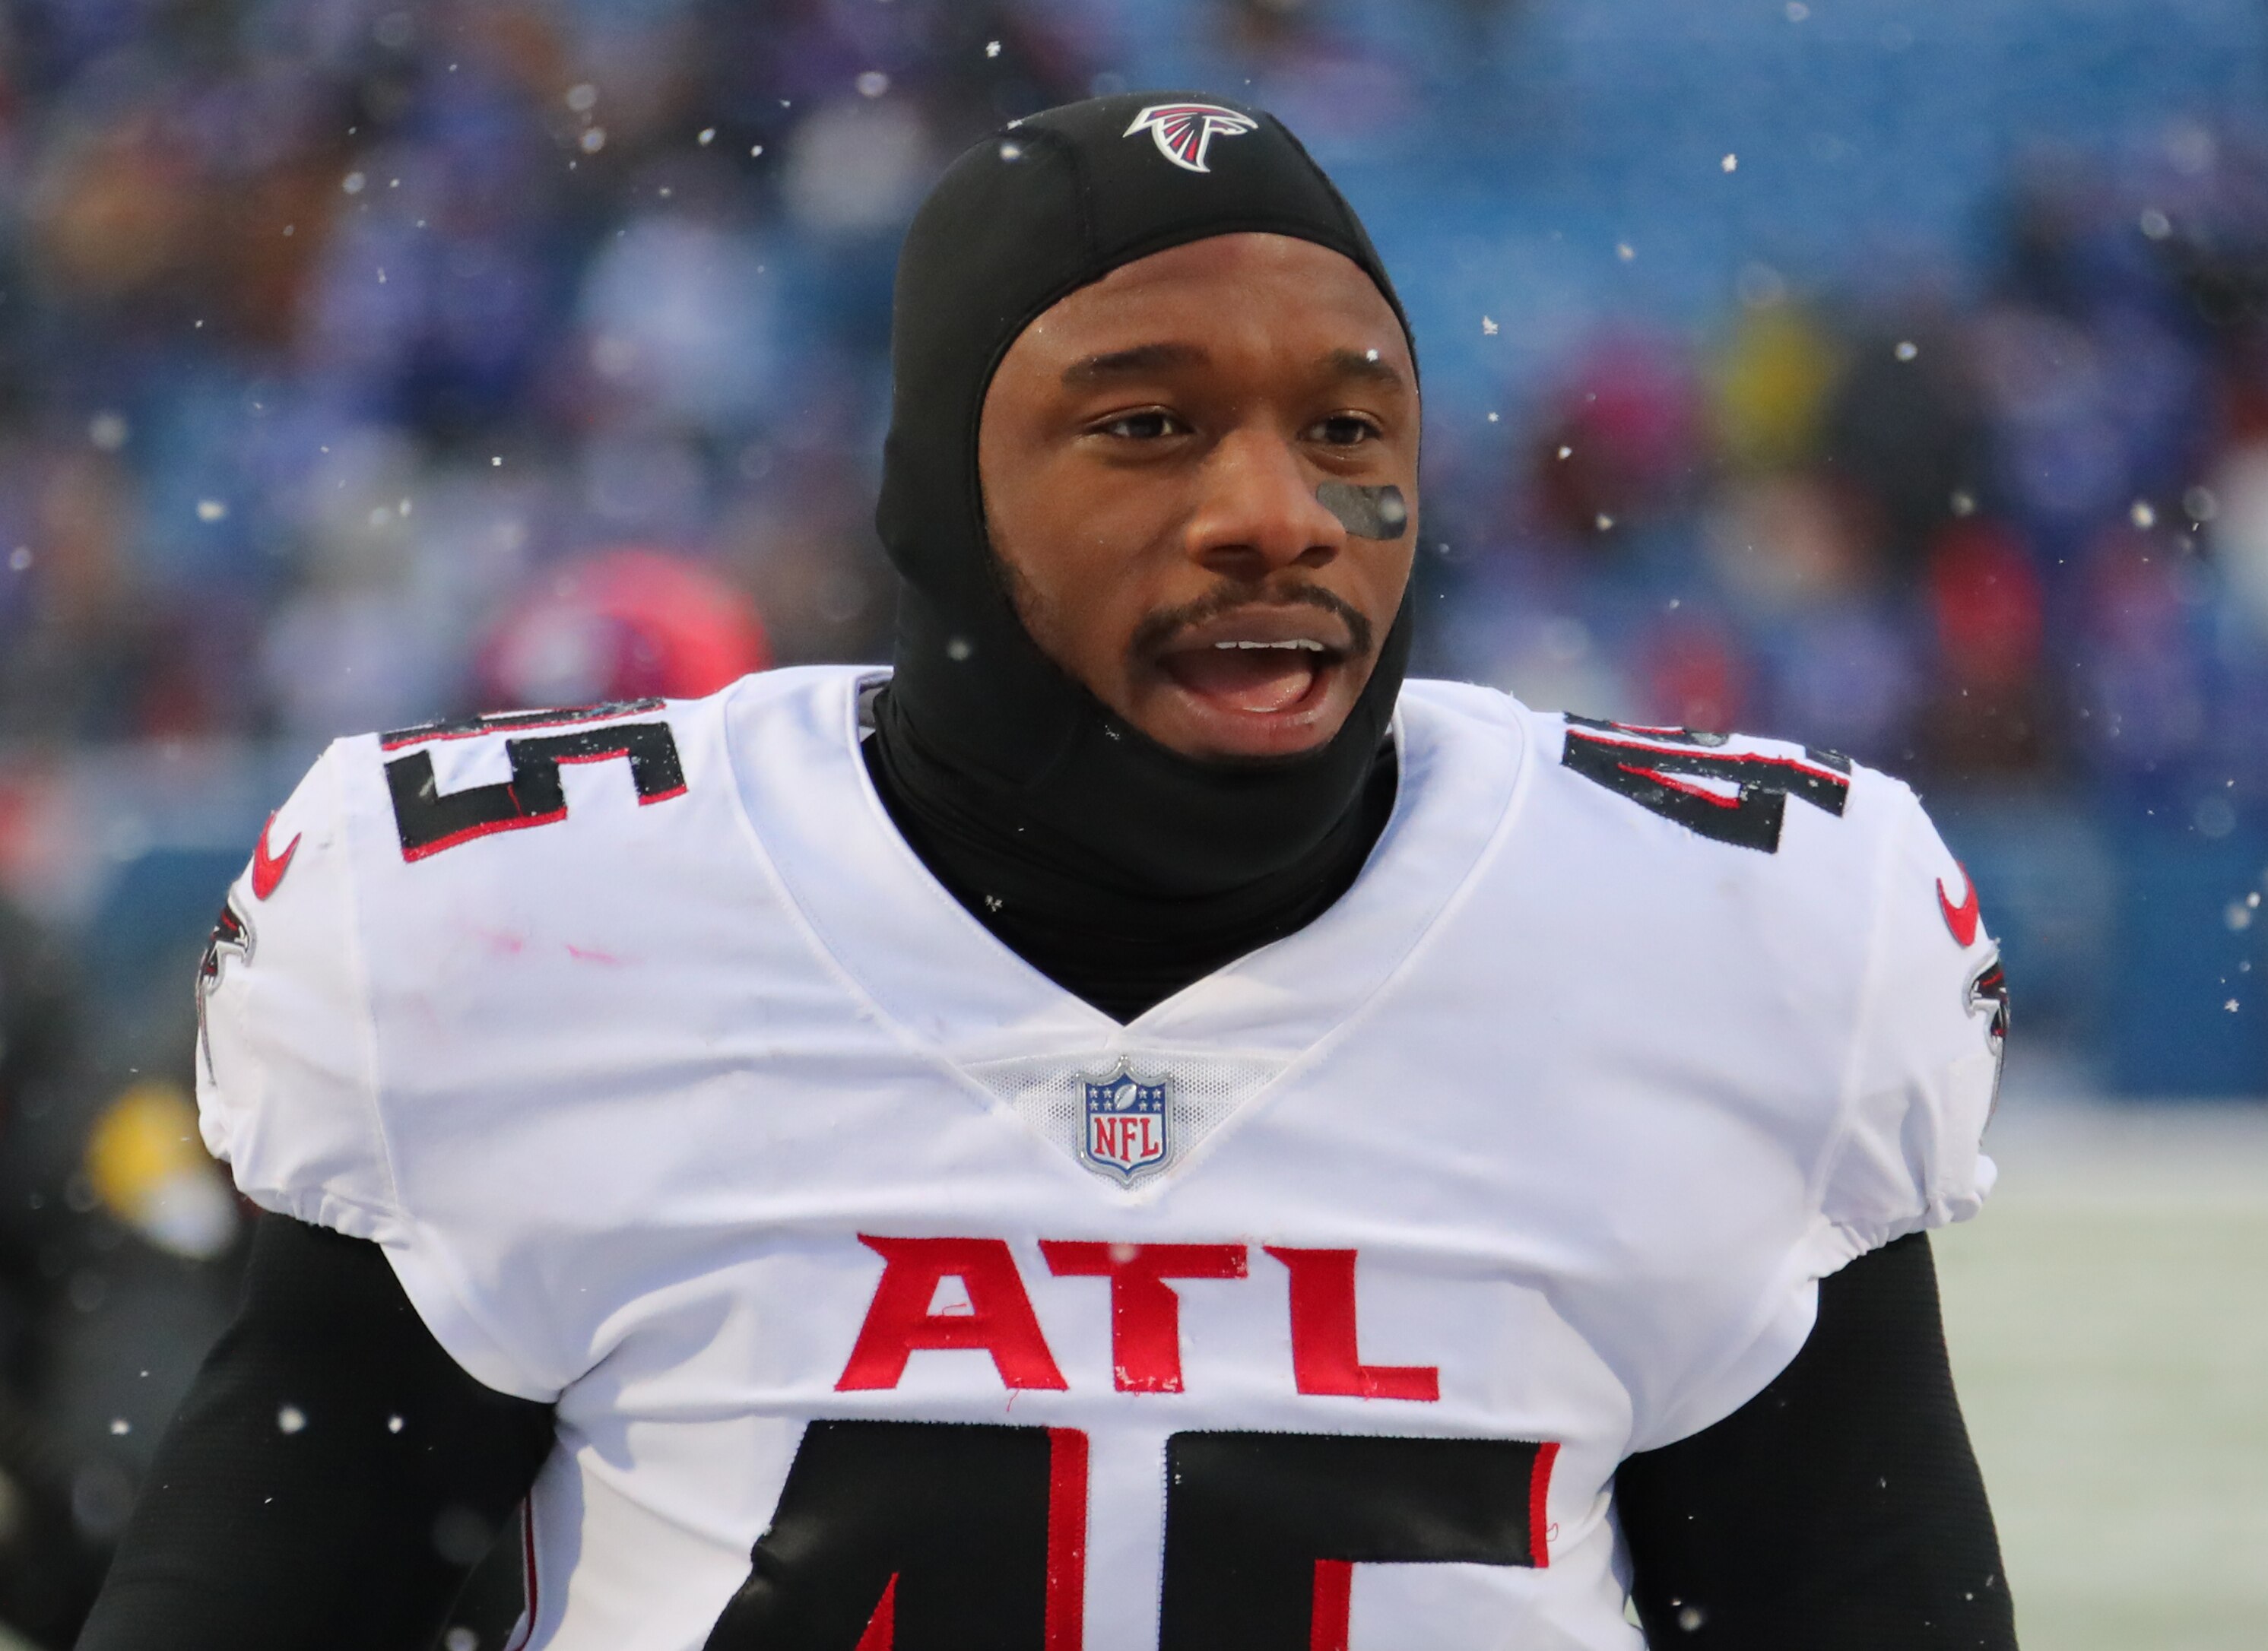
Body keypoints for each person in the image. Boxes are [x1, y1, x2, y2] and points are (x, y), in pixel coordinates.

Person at [79, 93, 2016, 1650]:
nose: (1276, 514)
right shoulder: (521, 942)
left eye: (1346, 425)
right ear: (942, 491)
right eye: (1146, 427)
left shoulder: (1720, 946)